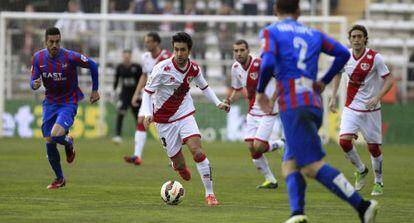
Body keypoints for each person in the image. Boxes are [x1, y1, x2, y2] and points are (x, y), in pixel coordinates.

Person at [256, 1, 378, 222]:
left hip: (293, 103)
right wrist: (324, 80)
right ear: (299, 12)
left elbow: (267, 63)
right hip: (312, 102)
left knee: (312, 167)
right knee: (290, 163)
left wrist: (260, 92)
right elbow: (342, 53)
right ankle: (298, 213)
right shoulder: (314, 34)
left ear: (275, 11)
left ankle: (363, 206)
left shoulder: (271, 32)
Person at [141, 32, 230, 206]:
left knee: (197, 151)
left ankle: (210, 194)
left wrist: (218, 103)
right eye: (176, 50)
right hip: (164, 121)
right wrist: (147, 113)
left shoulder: (194, 69)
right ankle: (177, 166)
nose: (179, 54)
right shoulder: (161, 69)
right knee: (180, 164)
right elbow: (147, 93)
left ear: (189, 50)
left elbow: (204, 87)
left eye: (183, 50)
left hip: (184, 113)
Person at [30, 27, 100, 189]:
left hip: (68, 101)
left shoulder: (69, 56)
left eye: (57, 42)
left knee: (55, 135)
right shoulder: (37, 58)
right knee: (49, 141)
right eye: (51, 42)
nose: (55, 45)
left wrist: (95, 89)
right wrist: (34, 84)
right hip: (50, 102)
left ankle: (68, 142)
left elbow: (93, 65)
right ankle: (60, 179)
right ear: (45, 42)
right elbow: (32, 81)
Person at [329, 24, 394, 196]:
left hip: (371, 110)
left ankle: (378, 181)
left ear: (365, 38)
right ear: (349, 40)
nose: (357, 39)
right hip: (351, 107)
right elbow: (337, 73)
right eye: (354, 37)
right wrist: (333, 96)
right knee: (344, 142)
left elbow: (389, 80)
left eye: (360, 36)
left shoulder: (375, 58)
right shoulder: (345, 56)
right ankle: (360, 168)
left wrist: (377, 97)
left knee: (373, 149)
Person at [225, 39, 284, 189]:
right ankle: (270, 180)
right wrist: (229, 101)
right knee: (251, 147)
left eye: (242, 50)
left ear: (248, 50)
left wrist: (272, 100)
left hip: (268, 111)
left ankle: (281, 143)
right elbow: (237, 89)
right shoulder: (235, 68)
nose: (239, 53)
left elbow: (281, 80)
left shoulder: (260, 64)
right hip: (252, 111)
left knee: (258, 146)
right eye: (236, 51)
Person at [125, 32, 171, 165]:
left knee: (165, 127)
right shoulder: (145, 57)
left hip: (163, 97)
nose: (146, 44)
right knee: (141, 121)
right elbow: (144, 76)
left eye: (149, 41)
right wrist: (136, 93)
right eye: (145, 41)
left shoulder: (166, 57)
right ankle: (137, 156)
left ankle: (172, 158)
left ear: (156, 42)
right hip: (149, 94)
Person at [112, 49, 143, 143]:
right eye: (125, 56)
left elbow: (142, 79)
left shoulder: (137, 67)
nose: (126, 58)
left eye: (128, 56)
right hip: (124, 96)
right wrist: (114, 91)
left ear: (130, 57)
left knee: (138, 116)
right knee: (120, 114)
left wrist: (141, 92)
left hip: (135, 95)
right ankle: (118, 135)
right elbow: (116, 80)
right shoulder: (119, 67)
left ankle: (139, 136)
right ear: (123, 56)